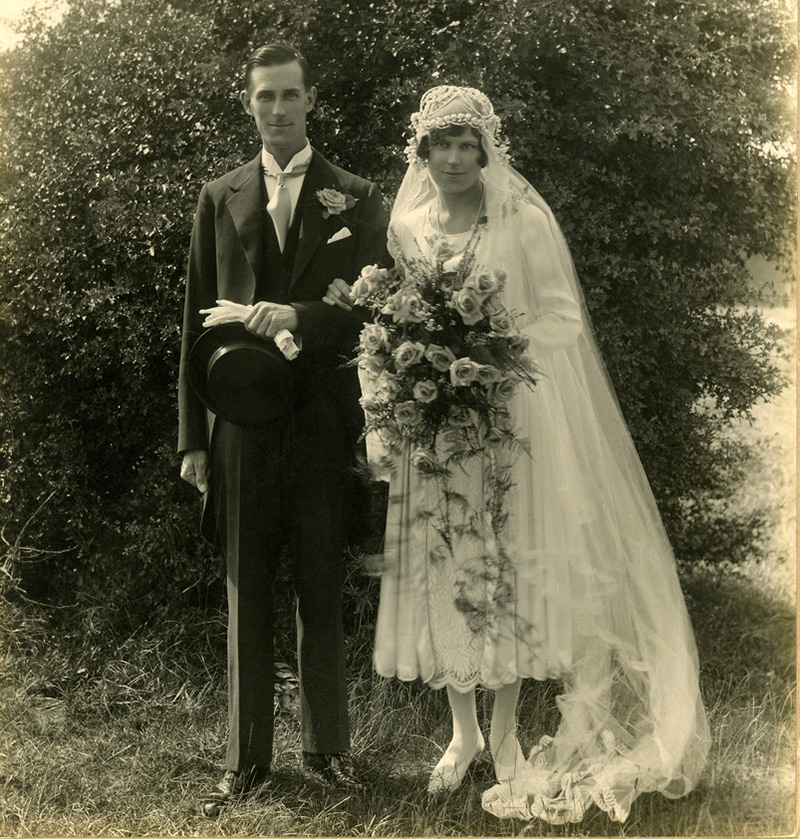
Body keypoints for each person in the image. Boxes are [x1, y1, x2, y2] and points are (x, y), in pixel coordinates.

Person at [324, 86, 709, 823]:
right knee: (445, 568)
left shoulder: (522, 222)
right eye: (442, 145)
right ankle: (461, 732)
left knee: (501, 570)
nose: (455, 159)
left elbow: (562, 318)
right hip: (433, 430)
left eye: (468, 146)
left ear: (486, 153)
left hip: (506, 424)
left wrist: (492, 350)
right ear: (422, 153)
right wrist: (396, 393)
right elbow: (384, 323)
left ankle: (503, 734)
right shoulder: (404, 228)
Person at [177, 43, 388, 815]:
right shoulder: (219, 195)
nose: (277, 109)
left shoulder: (356, 197)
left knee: (321, 583)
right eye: (264, 96)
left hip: (321, 420)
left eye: (289, 95)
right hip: (238, 421)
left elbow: (371, 308)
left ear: (311, 100)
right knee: (246, 585)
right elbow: (194, 320)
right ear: (248, 103)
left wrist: (298, 313)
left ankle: (327, 750)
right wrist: (193, 438)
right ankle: (246, 760)